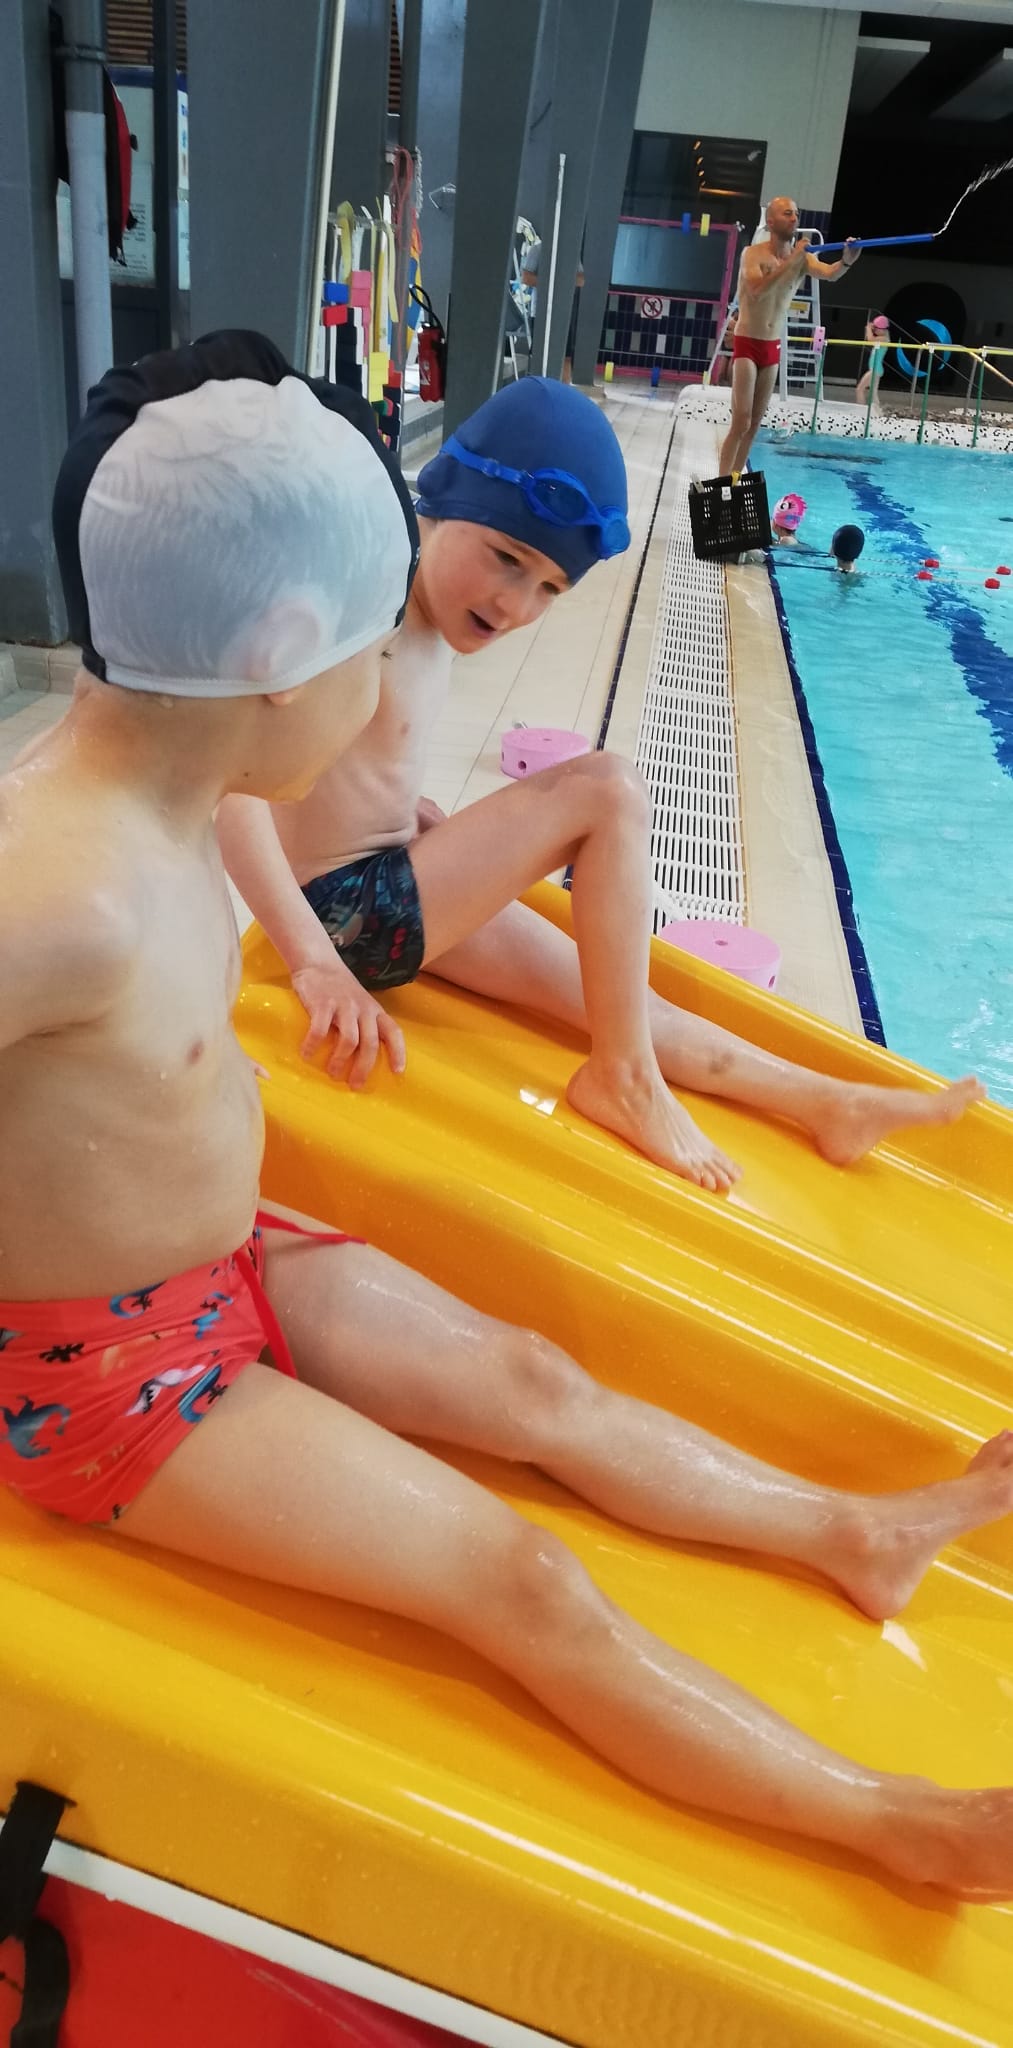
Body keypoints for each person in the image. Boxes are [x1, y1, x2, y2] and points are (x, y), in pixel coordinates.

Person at [5, 331, 1013, 1903]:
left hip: (228, 1258)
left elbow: (227, 894)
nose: (391, 688)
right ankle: (907, 1828)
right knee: (517, 1573)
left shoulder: (174, 780)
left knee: (539, 1380)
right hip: (116, 1380)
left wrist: (290, 985)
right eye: (373, 651)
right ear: (286, 651)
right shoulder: (59, 893)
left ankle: (850, 1534)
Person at [218, 375, 984, 1195]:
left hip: (383, 889)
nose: (515, 605)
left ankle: (826, 1103)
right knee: (608, 790)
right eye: (506, 559)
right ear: (444, 493)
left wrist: (403, 814)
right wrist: (313, 964)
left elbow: (350, 767)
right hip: (345, 917)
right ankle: (622, 1078)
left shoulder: (420, 601)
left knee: (619, 998)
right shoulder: (363, 604)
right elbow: (229, 791)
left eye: (549, 588)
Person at [718, 197, 860, 477]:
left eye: (796, 214)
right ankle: (720, 482)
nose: (795, 218)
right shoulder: (753, 254)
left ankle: (733, 482)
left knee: (754, 424)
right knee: (741, 421)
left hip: (772, 346)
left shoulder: (803, 259)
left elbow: (830, 274)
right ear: (771, 222)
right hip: (747, 342)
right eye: (787, 214)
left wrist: (846, 260)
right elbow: (757, 290)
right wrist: (792, 260)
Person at [522, 237, 585, 382]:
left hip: (563, 312)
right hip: (540, 311)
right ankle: (538, 385)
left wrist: (560, 282)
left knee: (566, 355)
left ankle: (564, 388)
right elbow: (526, 277)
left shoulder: (571, 252)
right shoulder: (537, 250)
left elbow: (581, 280)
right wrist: (555, 283)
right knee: (538, 353)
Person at [856, 314, 890, 411]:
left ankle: (861, 412)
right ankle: (877, 412)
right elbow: (870, 338)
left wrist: (868, 328)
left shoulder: (884, 339)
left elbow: (870, 339)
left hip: (875, 369)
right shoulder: (882, 338)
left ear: (882, 329)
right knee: (873, 393)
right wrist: (870, 329)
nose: (874, 330)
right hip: (875, 369)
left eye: (876, 328)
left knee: (859, 389)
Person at [708, 308, 738, 388]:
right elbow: (723, 335)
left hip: (736, 350)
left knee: (730, 375)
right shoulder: (729, 321)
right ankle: (720, 388)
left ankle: (730, 390)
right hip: (726, 349)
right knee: (721, 374)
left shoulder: (740, 324)